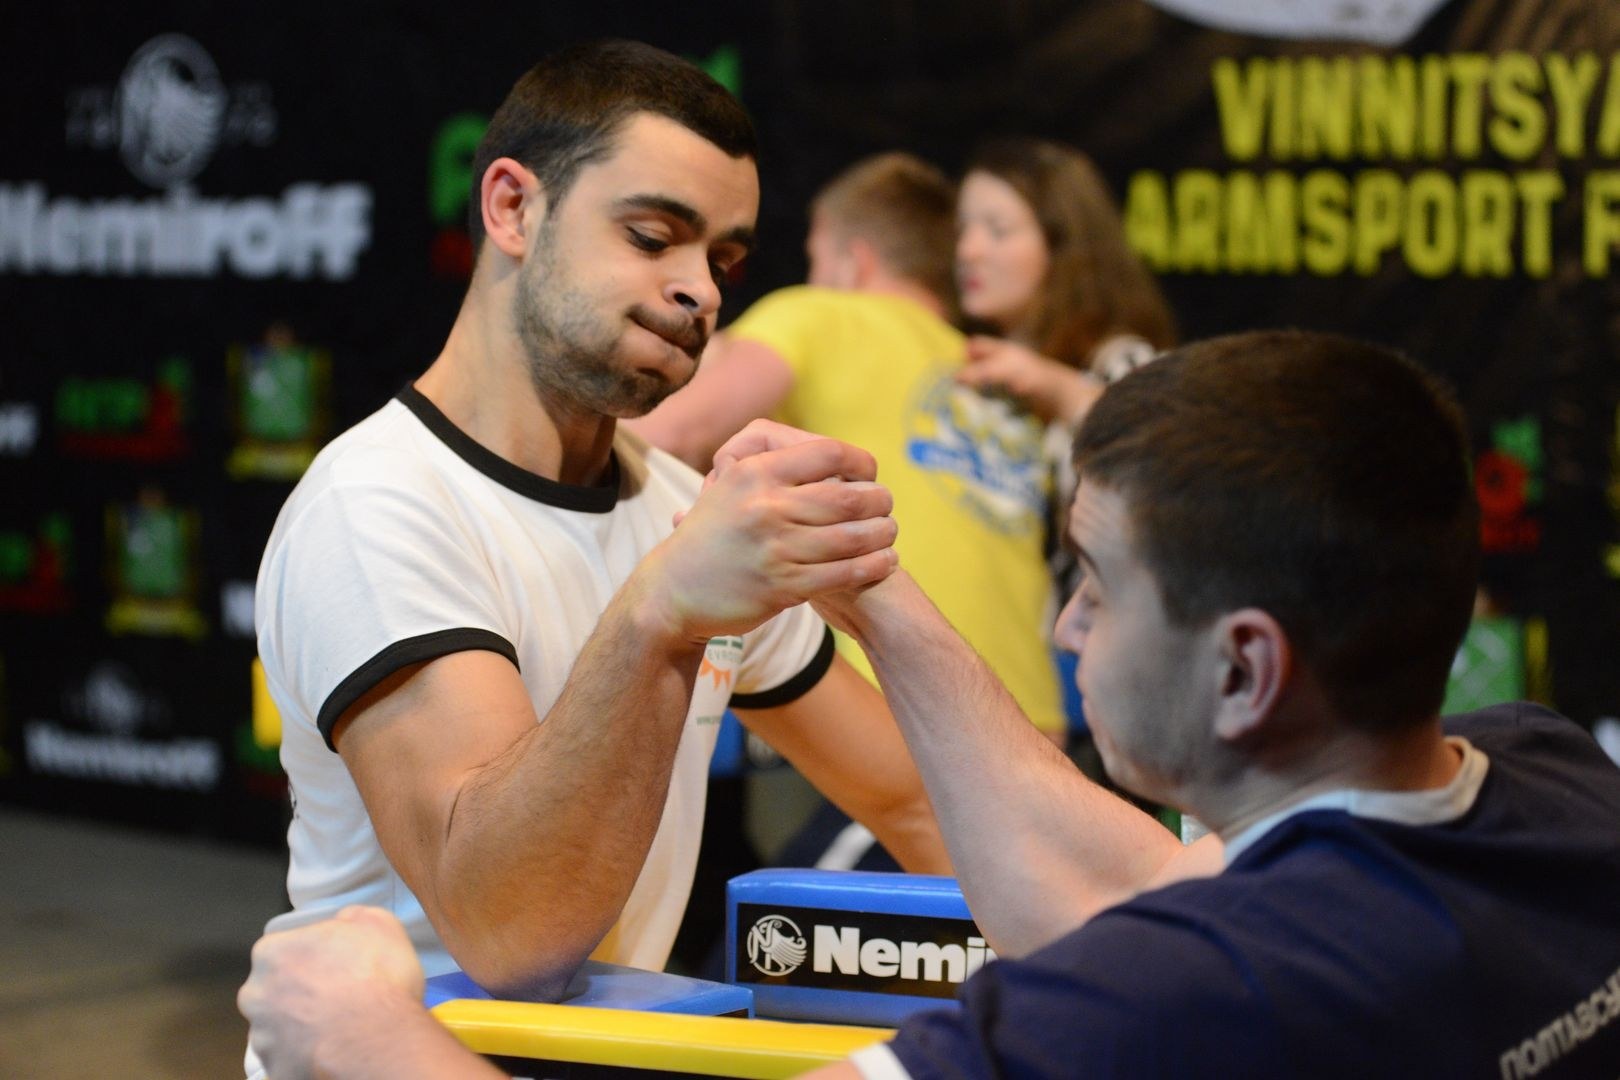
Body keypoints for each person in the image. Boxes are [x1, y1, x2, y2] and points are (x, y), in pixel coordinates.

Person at [242, 330, 1620, 1078]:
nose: (1066, 625)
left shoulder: (1158, 1010)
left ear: (1243, 669)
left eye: (1096, 581)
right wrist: (870, 587)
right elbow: (1126, 884)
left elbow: (1150, 950)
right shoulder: (1549, 783)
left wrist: (370, 1043)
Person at [251, 38, 951, 1056]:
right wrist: (659, 611)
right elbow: (510, 931)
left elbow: (912, 798)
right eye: (653, 234)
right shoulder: (378, 504)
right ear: (511, 209)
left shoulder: (676, 503)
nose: (702, 290)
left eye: (722, 260)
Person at [629, 152, 1067, 743]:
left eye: (815, 260)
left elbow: (666, 433)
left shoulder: (820, 315)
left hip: (901, 716)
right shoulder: (994, 373)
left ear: (851, 261)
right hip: (1037, 720)